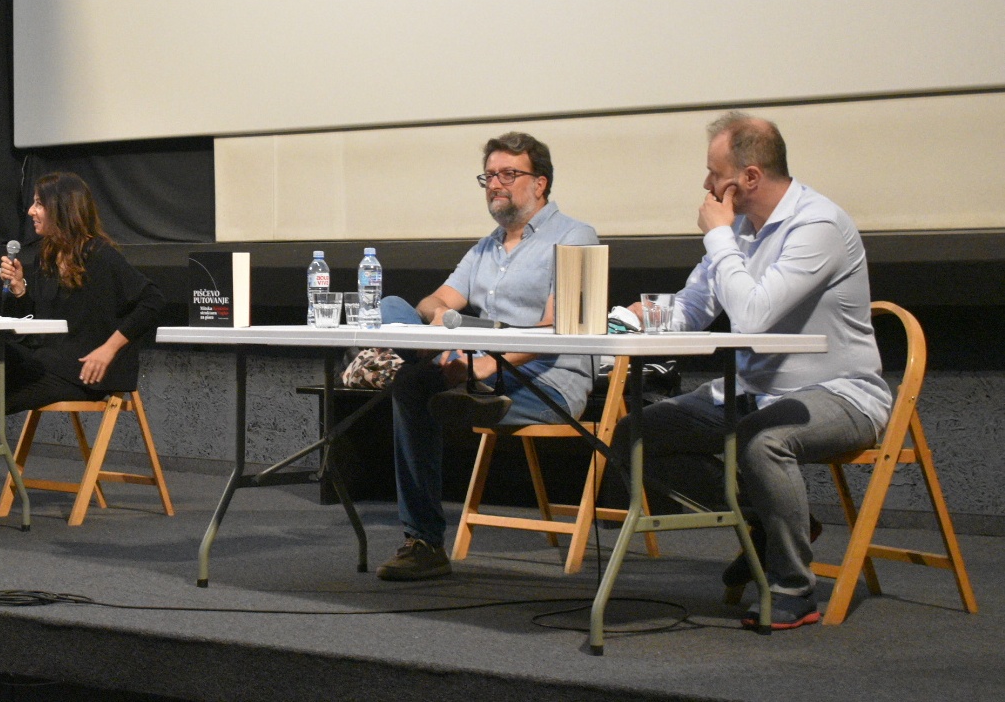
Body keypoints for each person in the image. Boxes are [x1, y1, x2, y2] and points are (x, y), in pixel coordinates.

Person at [612, 112, 891, 631]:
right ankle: (768, 521)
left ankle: (795, 588)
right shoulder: (739, 230)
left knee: (763, 441)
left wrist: (719, 238)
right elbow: (694, 306)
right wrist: (633, 317)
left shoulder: (818, 226)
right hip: (753, 393)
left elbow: (754, 316)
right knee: (637, 435)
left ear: (751, 177)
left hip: (841, 394)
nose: (706, 185)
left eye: (715, 174)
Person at [375, 132, 599, 580]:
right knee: (392, 310)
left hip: (543, 379)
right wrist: (441, 328)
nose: (495, 184)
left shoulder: (575, 235)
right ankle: (425, 545)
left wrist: (482, 365)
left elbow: (559, 330)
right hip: (474, 364)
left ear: (540, 183)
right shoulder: (486, 247)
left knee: (412, 385)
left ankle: (462, 388)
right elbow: (435, 301)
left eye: (508, 174)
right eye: (489, 176)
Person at [0, 172, 164, 530]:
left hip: (86, 370)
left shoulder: (99, 255)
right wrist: (19, 289)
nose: (31, 211)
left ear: (62, 208)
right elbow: (36, 320)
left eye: (39, 203)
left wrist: (108, 349)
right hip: (50, 359)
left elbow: (152, 301)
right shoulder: (47, 256)